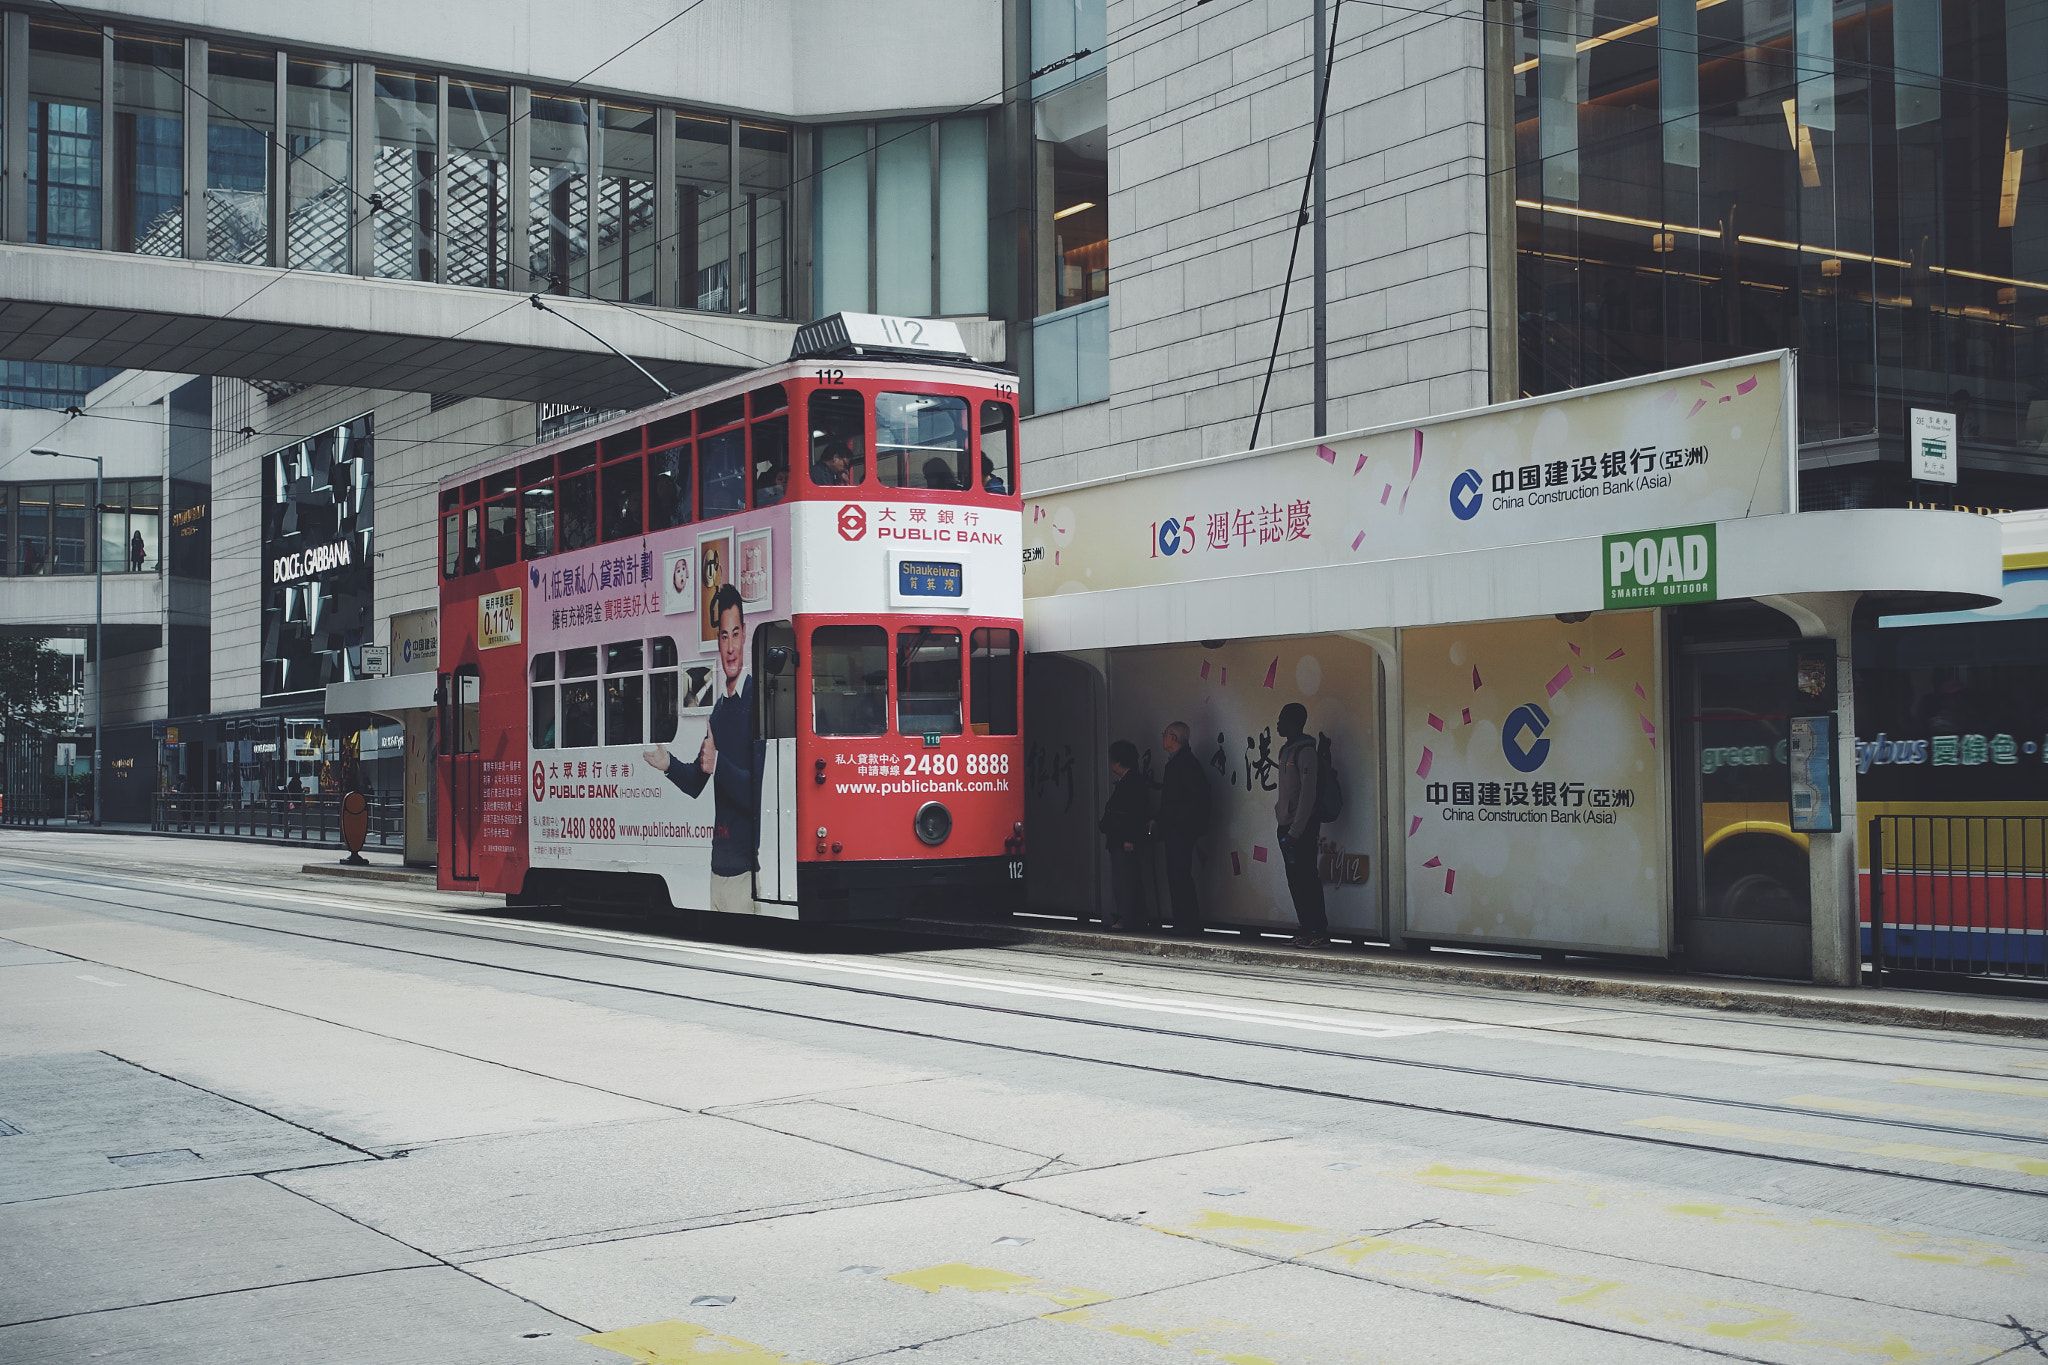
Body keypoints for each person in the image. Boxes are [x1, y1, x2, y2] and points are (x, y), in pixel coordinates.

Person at [643, 582, 760, 915]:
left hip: (745, 871)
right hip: (718, 867)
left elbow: (757, 794)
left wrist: (719, 762)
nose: (731, 647)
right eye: (724, 637)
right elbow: (698, 781)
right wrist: (668, 764)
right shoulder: (720, 711)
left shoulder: (756, 703)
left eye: (735, 634)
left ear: (746, 634)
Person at [1274, 702, 1327, 947]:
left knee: (1307, 877)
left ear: (1294, 722)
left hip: (1301, 829)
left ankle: (1318, 931)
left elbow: (1308, 795)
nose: (1278, 722)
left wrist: (1296, 830)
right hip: (1286, 826)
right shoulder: (1285, 750)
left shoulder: (1305, 752)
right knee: (1294, 879)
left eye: (1282, 718)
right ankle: (1306, 927)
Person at [1150, 720, 1208, 934]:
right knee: (1179, 874)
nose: (1163, 737)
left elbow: (1182, 801)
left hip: (1179, 830)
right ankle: (1184, 922)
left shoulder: (1183, 764)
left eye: (1165, 734)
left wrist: (1167, 820)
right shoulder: (1183, 762)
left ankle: (1186, 923)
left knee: (1179, 875)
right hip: (1179, 829)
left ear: (1173, 738)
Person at [1098, 739, 1151, 931]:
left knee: (1125, 879)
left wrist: (1130, 838)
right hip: (1122, 838)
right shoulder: (1131, 780)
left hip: (1124, 840)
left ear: (1118, 762)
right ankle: (1132, 916)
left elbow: (1135, 813)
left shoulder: (1131, 782)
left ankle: (1126, 918)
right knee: (1128, 878)